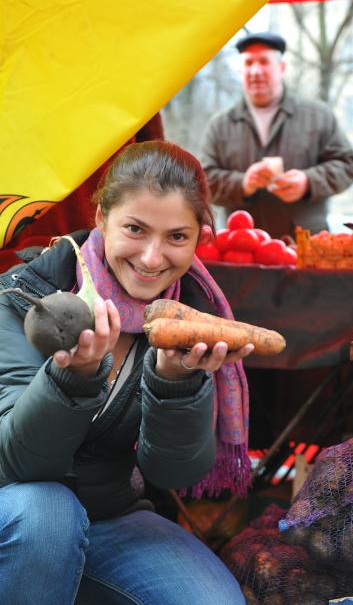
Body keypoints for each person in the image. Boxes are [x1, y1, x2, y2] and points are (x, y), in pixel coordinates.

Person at [0, 141, 253, 605]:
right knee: (48, 515)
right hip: (14, 508)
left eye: (177, 236)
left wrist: (174, 385)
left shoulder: (187, 319)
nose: (153, 258)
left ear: (200, 237)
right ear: (101, 218)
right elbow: (17, 462)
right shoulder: (21, 301)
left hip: (106, 514)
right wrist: (72, 378)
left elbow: (173, 472)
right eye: (135, 229)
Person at [200, 31, 353, 238]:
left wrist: (308, 181)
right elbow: (203, 181)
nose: (256, 71)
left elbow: (348, 165)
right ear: (241, 71)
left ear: (281, 68)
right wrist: (243, 184)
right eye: (249, 63)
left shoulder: (318, 116)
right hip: (241, 250)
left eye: (264, 61)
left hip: (305, 246)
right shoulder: (220, 125)